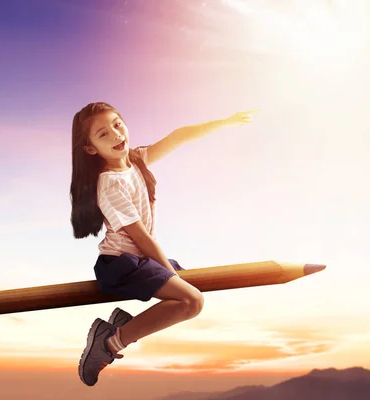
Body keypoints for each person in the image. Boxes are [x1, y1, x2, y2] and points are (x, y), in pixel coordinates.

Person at [69, 102, 258, 386]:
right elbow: (140, 237)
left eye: (117, 125)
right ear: (90, 148)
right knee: (192, 301)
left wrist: (225, 122)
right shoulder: (109, 184)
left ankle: (123, 325)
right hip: (120, 264)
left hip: (138, 260)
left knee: (187, 289)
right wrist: (168, 270)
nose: (116, 135)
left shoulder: (137, 160)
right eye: (103, 134)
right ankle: (108, 344)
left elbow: (178, 136)